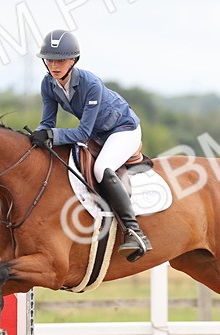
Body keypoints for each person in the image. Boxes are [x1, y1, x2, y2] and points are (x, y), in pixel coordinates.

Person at [28, 29, 153, 260]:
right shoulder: (48, 84)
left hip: (123, 129)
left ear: (73, 60)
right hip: (97, 134)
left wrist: (50, 135)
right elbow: (47, 123)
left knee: (100, 168)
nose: (55, 65)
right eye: (50, 60)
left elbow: (82, 132)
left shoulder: (90, 83)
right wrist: (31, 139)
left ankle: (134, 231)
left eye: (61, 60)